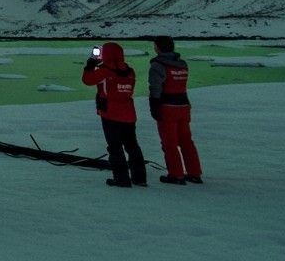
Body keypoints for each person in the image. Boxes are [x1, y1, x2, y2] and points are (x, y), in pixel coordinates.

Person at [81, 42, 147, 188]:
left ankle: (122, 179)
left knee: (115, 147)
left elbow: (87, 80)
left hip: (110, 114)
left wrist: (91, 64)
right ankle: (139, 177)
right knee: (132, 146)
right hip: (129, 114)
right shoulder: (130, 71)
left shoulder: (105, 71)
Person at [149, 36, 203, 185]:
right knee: (186, 141)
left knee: (169, 143)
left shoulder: (158, 65)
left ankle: (176, 174)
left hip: (168, 107)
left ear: (158, 47)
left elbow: (155, 88)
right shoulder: (182, 64)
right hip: (184, 106)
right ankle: (194, 173)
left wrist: (154, 106)